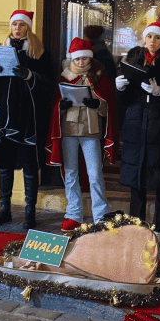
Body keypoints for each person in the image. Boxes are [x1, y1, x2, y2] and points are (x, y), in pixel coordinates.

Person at [0, 10, 55, 230]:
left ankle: (29, 212)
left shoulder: (39, 52)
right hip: (5, 117)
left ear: (28, 28)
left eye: (21, 25)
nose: (17, 28)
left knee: (29, 165)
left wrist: (31, 76)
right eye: (14, 24)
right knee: (4, 164)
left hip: (28, 118)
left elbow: (49, 84)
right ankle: (4, 209)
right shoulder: (0, 48)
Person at [116, 19, 160, 239]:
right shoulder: (134, 57)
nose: (152, 41)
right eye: (149, 36)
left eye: (157, 37)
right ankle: (136, 224)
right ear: (144, 38)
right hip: (135, 124)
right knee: (136, 178)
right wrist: (121, 88)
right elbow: (125, 99)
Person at [47, 36, 118, 232]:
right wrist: (61, 106)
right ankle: (73, 213)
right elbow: (55, 106)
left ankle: (101, 214)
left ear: (90, 59)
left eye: (84, 59)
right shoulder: (64, 76)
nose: (80, 63)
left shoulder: (99, 76)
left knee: (95, 174)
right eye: (77, 59)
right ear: (72, 59)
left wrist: (98, 104)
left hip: (91, 130)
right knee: (71, 174)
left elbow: (108, 106)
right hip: (69, 130)